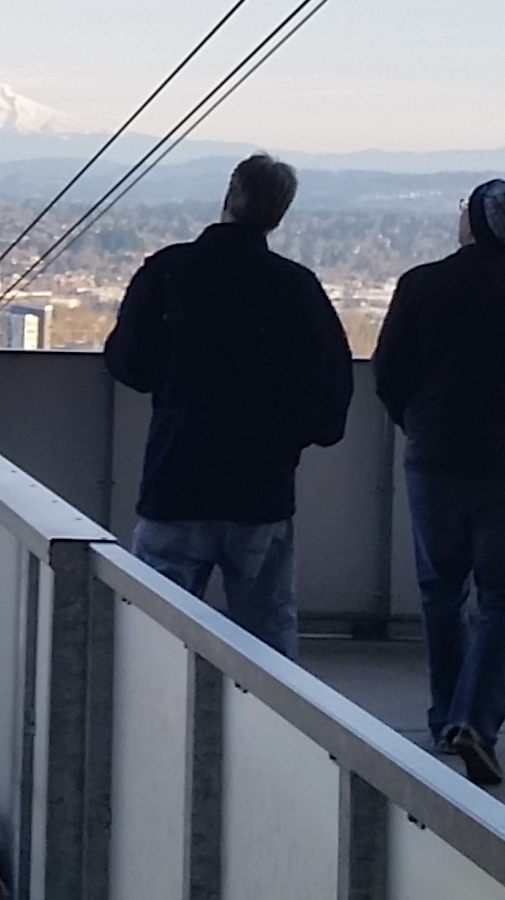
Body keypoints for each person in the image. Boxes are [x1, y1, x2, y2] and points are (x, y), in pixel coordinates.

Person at [373, 178, 505, 787]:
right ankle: (476, 724)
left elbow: (388, 371)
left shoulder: (420, 285)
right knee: (503, 599)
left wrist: (416, 422)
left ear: (475, 222)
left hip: (433, 459)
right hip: (503, 465)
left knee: (442, 594)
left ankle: (446, 719)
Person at [104, 154, 355, 655]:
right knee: (267, 636)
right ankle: (268, 728)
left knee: (154, 629)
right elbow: (329, 395)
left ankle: (155, 725)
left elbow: (129, 363)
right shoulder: (295, 288)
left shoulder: (170, 271)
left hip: (177, 478)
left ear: (230, 195)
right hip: (260, 486)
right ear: (279, 214)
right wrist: (289, 436)